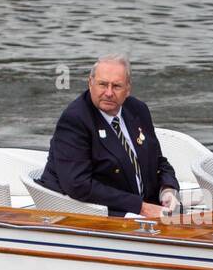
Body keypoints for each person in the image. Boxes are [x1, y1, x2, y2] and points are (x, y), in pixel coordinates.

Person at [40, 55, 180, 218]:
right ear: (90, 83)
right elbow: (78, 185)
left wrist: (168, 189)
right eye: (103, 84)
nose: (108, 93)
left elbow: (158, 161)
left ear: (128, 89)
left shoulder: (138, 110)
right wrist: (140, 207)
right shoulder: (75, 120)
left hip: (148, 208)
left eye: (116, 86)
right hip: (97, 215)